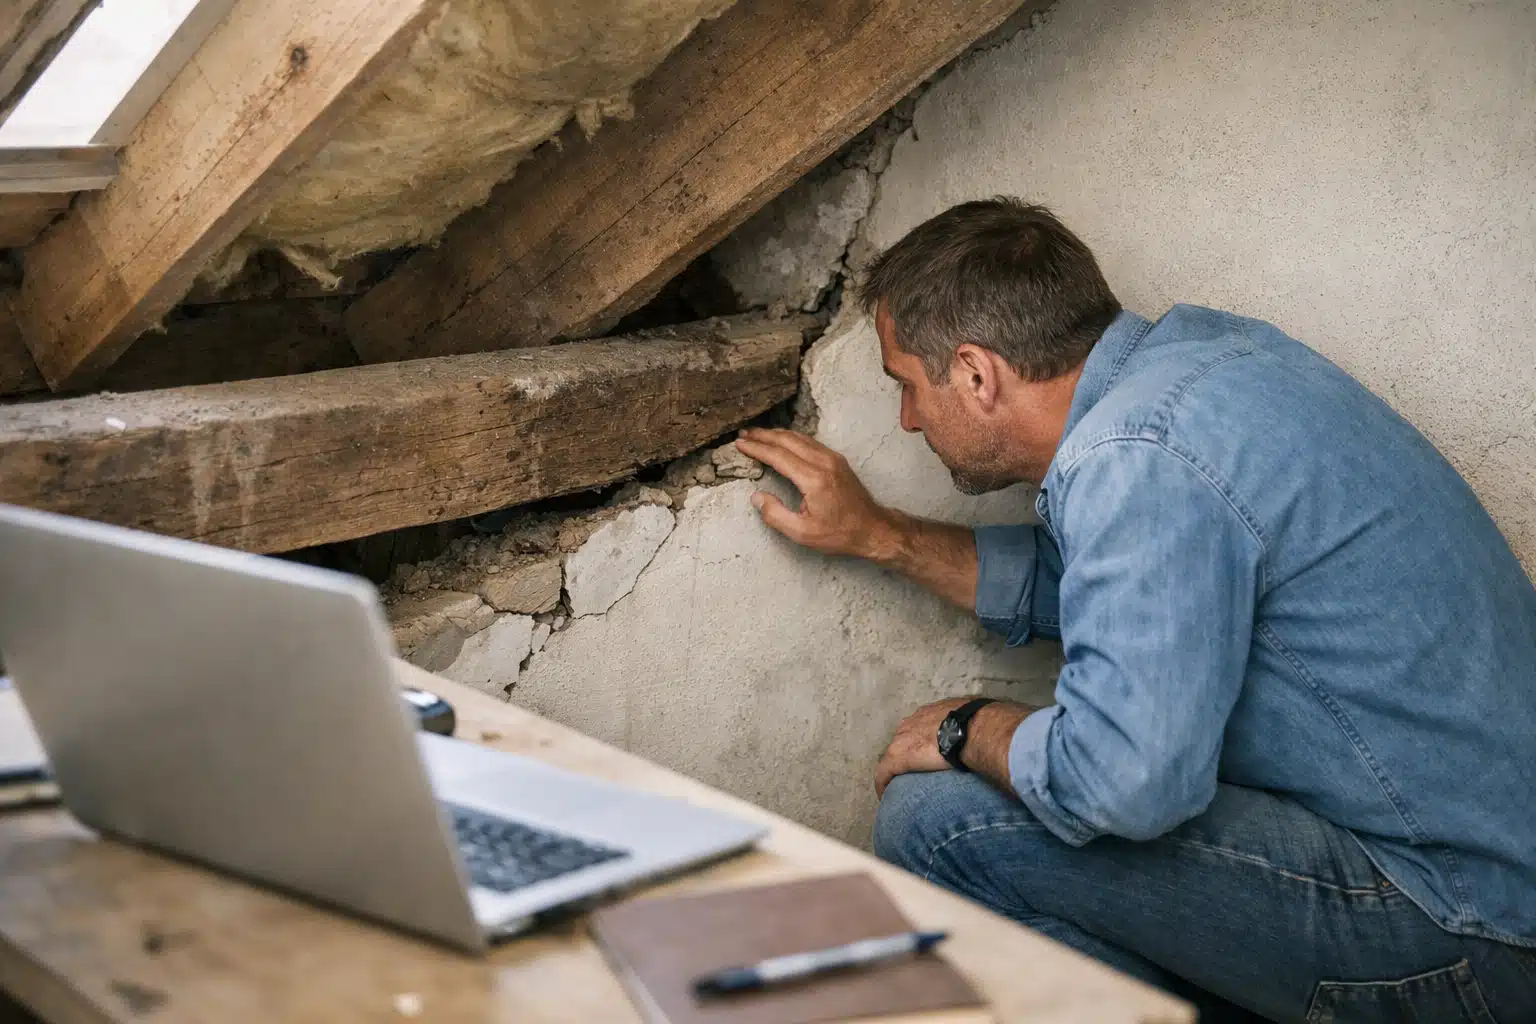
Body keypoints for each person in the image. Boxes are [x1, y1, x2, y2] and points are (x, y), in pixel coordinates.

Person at [734, 198, 1536, 1023]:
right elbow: (1114, 590)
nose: (906, 420)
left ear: (976, 374)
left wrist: (969, 729)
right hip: (1490, 871)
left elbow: (1126, 783)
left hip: (1468, 925)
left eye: (906, 385)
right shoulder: (1205, 364)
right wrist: (880, 536)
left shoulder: (1135, 458)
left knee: (939, 824)